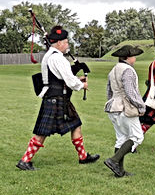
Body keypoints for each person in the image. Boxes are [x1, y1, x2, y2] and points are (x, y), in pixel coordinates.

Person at [16, 25, 99, 171]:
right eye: (66, 42)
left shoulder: (49, 56)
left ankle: (83, 156)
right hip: (56, 99)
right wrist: (82, 85)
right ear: (59, 43)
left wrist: (77, 79)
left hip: (58, 97)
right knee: (42, 132)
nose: (67, 45)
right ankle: (25, 160)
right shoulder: (58, 58)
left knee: (76, 124)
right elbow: (70, 81)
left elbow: (61, 77)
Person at [104, 45, 147, 177]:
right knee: (137, 137)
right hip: (125, 108)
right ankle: (114, 160)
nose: (135, 58)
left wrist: (112, 103)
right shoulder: (128, 70)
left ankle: (119, 171)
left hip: (113, 107)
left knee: (121, 138)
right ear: (128, 57)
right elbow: (130, 92)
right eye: (134, 56)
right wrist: (141, 106)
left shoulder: (113, 70)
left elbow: (109, 91)